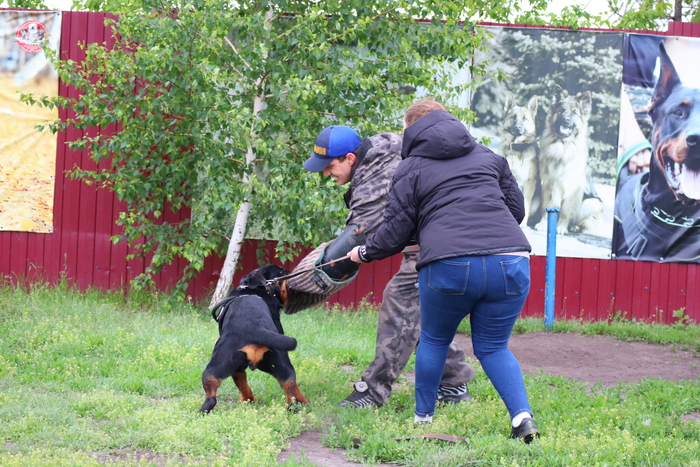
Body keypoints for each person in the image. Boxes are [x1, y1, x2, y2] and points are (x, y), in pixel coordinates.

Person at [348, 99, 539, 442]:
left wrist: (364, 252)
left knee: (434, 339)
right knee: (494, 347)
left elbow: (394, 231)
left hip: (449, 265)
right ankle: (522, 419)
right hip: (511, 261)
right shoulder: (489, 156)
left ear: (412, 128)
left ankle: (423, 420)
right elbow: (516, 210)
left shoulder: (411, 166)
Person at [301, 124, 475, 408]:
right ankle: (453, 383)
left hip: (442, 240)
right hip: (446, 236)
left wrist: (307, 279)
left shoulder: (377, 175)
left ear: (350, 158)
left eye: (329, 166)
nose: (325, 174)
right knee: (419, 313)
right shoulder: (384, 147)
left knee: (400, 303)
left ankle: (373, 391)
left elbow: (360, 232)